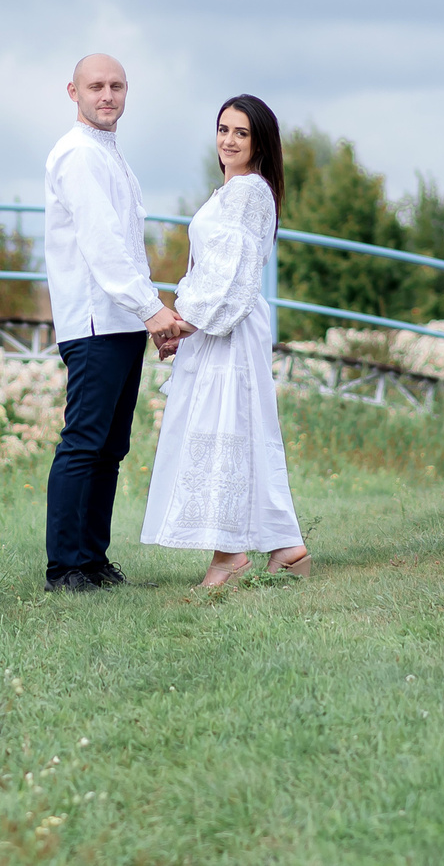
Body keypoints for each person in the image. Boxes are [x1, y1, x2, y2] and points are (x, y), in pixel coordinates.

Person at [141, 93, 309, 586]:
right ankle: (285, 543)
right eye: (223, 129)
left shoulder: (247, 192)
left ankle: (229, 555)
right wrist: (185, 321)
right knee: (245, 429)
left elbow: (232, 271)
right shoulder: (231, 191)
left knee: (224, 432)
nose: (228, 140)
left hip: (226, 327)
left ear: (259, 142)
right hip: (220, 324)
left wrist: (185, 322)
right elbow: (210, 267)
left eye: (241, 132)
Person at [43, 53, 189, 593]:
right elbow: (102, 248)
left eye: (117, 86)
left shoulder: (109, 154)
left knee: (110, 447)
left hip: (120, 321)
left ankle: (92, 559)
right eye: (96, 86)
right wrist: (152, 309)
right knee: (84, 442)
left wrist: (147, 316)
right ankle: (64, 568)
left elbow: (128, 248)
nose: (108, 95)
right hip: (92, 321)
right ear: (73, 92)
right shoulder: (78, 155)